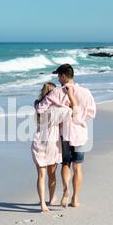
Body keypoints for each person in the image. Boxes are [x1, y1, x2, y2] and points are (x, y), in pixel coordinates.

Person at [36, 64, 96, 208]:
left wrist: (38, 103)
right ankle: (75, 199)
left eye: (58, 76)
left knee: (66, 164)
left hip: (65, 134)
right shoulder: (86, 92)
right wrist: (80, 118)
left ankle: (66, 190)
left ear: (63, 76)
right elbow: (92, 113)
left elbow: (40, 108)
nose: (58, 79)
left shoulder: (57, 92)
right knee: (78, 167)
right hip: (80, 133)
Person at [31, 82, 72, 213]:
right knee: (51, 175)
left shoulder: (37, 104)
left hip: (39, 141)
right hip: (53, 143)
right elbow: (70, 111)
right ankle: (51, 198)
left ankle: (43, 203)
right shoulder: (57, 110)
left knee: (41, 175)